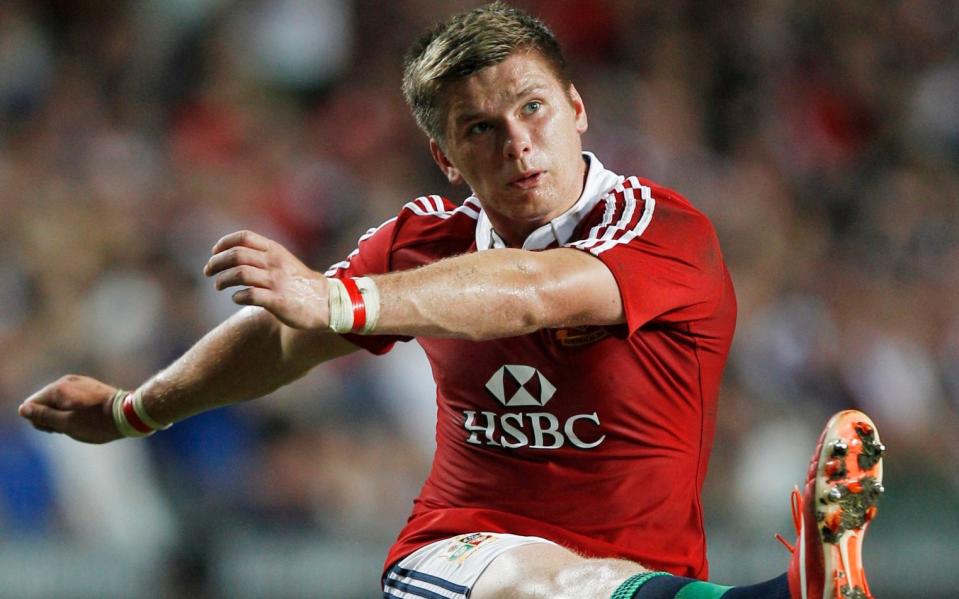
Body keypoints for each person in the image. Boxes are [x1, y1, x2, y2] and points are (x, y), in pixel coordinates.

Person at [18, 3, 885, 598]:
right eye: (480, 128)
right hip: (461, 557)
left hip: (645, 577)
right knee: (494, 570)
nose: (518, 144)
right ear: (445, 156)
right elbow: (283, 341)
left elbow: (532, 292)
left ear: (577, 109)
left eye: (532, 109)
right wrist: (136, 409)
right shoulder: (420, 239)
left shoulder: (661, 228)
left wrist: (340, 301)